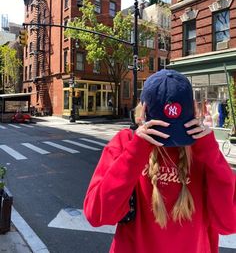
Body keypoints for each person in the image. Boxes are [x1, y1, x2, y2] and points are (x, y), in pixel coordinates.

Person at [83, 69, 236, 253]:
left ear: (141, 111)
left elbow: (229, 223)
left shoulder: (203, 151)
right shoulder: (126, 143)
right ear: (195, 108)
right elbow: (97, 214)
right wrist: (136, 152)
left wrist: (210, 152)